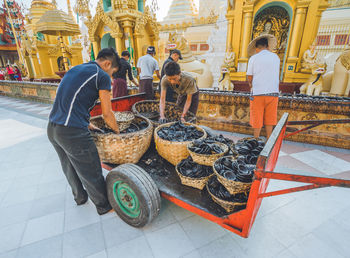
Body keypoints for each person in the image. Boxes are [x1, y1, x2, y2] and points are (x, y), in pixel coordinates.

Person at [47, 48, 121, 215]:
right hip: (72, 133)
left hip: (52, 127)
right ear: (107, 64)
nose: (110, 76)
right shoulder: (101, 75)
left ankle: (80, 198)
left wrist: (86, 123)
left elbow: (69, 100)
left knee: (68, 165)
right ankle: (104, 206)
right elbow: (107, 114)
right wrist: (118, 132)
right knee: (91, 168)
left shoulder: (76, 68)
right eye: (112, 72)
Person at [246, 35, 279, 140]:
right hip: (273, 93)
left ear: (256, 48)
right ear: (268, 46)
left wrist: (251, 85)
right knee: (270, 118)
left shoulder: (254, 58)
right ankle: (269, 139)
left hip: (258, 93)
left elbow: (249, 76)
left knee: (257, 117)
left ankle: (256, 139)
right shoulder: (276, 57)